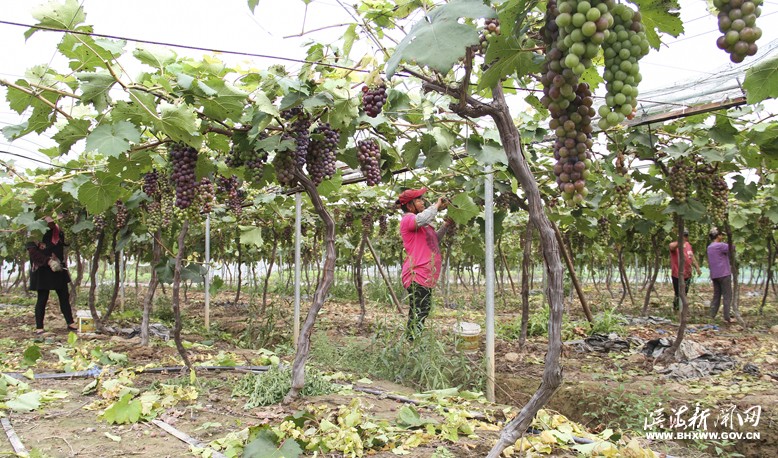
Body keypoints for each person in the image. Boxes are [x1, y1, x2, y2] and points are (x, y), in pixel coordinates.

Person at [396, 188, 454, 340]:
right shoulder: (408, 219)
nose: (422, 202)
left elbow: (434, 239)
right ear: (409, 206)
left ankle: (412, 342)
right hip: (417, 274)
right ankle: (411, 343)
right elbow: (423, 218)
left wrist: (446, 226)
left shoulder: (423, 226)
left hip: (425, 276)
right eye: (419, 200)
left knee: (423, 309)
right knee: (418, 310)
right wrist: (436, 205)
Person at [28, 215, 76, 334]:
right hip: (43, 269)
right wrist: (48, 261)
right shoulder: (35, 232)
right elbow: (33, 253)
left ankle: (70, 322)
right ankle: (39, 327)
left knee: (64, 296)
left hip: (58, 268)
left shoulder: (58, 231)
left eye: (53, 220)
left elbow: (65, 244)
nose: (52, 222)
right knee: (42, 297)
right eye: (49, 220)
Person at [669, 229, 701, 311]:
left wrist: (697, 267)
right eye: (684, 235)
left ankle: (682, 310)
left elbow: (691, 256)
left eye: (686, 236)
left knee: (684, 293)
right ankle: (676, 310)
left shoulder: (688, 245)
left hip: (687, 274)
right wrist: (680, 242)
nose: (685, 237)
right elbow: (672, 247)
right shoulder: (673, 245)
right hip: (677, 274)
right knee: (678, 293)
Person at [707, 228, 735, 323]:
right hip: (724, 273)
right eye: (721, 235)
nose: (722, 236)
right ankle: (727, 317)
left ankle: (711, 315)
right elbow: (733, 247)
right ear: (718, 236)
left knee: (716, 295)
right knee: (727, 296)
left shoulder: (710, 247)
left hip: (715, 275)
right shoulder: (720, 245)